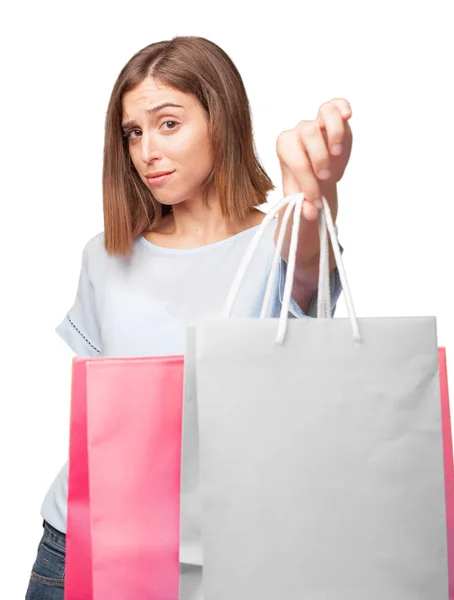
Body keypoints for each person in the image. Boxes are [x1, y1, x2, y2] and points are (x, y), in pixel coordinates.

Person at [25, 35, 352, 599]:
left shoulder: (278, 242)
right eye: (133, 132)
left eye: (168, 123)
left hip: (224, 551)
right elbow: (106, 418)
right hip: (86, 540)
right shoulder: (106, 253)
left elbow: (310, 256)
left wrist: (316, 195)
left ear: (219, 122)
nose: (147, 149)